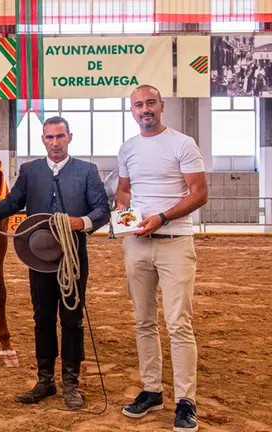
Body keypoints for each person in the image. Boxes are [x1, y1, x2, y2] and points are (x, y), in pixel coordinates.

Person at [0, 116, 109, 410]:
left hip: (72, 256)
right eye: (49, 137)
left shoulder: (87, 171)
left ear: (70, 137)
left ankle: (71, 382)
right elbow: (12, 203)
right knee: (42, 318)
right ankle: (45, 380)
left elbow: (102, 210)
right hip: (38, 257)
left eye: (60, 137)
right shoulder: (30, 171)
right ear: (43, 140)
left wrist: (81, 222)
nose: (55, 143)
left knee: (72, 319)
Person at [116, 85, 207, 432]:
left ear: (161, 106)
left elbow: (199, 193)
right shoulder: (128, 148)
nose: (145, 110)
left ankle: (186, 400)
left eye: (150, 103)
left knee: (178, 323)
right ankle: (152, 389)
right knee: (143, 321)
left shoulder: (183, 143)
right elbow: (124, 189)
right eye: (138, 105)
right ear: (132, 111)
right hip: (137, 245)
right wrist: (123, 213)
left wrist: (163, 218)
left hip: (175, 242)